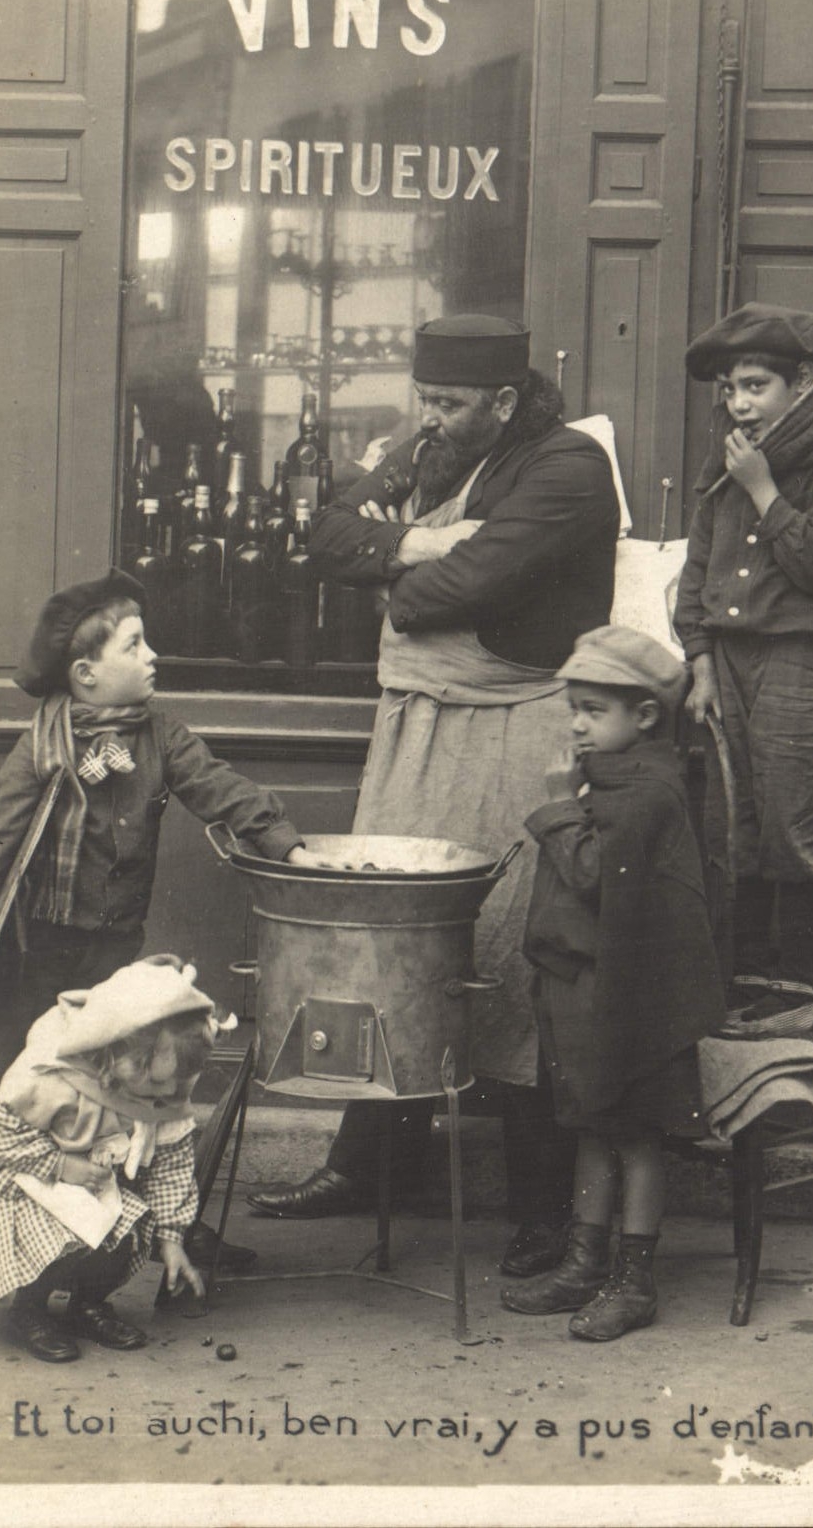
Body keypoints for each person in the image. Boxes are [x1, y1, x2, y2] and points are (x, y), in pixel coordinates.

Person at [246, 314, 622, 1278]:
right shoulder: (427, 447)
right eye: (427, 399)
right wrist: (427, 537)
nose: (432, 418)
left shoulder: (567, 468)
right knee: (389, 945)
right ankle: (366, 1166)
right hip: (419, 729)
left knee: (510, 953)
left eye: (451, 403)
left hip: (515, 733)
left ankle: (541, 1207)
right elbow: (327, 533)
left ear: (503, 402)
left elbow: (444, 595)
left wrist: (402, 562)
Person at [0, 568, 313, 1243]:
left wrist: (287, 846)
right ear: (85, 673)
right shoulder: (42, 748)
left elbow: (218, 787)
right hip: (28, 946)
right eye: (133, 646)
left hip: (106, 952)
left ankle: (126, 1230)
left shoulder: (160, 735)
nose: (152, 656)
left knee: (112, 1087)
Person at [501, 626, 725, 1339]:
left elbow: (599, 878)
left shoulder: (649, 789)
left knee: (634, 1135)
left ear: (646, 716)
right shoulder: (617, 777)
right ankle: (582, 1262)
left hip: (630, 998)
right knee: (594, 1126)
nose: (575, 723)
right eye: (573, 707)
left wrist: (559, 805)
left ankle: (634, 1280)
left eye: (592, 710)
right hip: (589, 988)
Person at [672, 303, 813, 1022]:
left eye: (755, 386)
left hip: (797, 659)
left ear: (801, 382)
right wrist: (697, 658)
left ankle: (792, 995)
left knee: (795, 825)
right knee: (738, 827)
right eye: (730, 389)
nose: (740, 403)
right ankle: (745, 990)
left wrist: (763, 488)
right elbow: (697, 561)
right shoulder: (727, 451)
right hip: (726, 663)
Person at [0, 957, 221, 1362]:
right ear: (116, 1051)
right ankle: (30, 1310)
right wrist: (63, 1167)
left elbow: (172, 1162)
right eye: (157, 1080)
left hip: (98, 1190)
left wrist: (172, 1239)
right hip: (32, 1185)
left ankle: (88, 1303)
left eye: (175, 1083)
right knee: (59, 1237)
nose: (166, 1091)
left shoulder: (161, 1091)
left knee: (125, 1234)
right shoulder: (53, 1074)